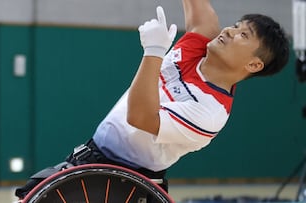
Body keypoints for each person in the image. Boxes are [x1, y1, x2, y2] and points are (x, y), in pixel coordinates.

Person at [15, 0, 289, 200]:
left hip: (127, 180)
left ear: (254, 65)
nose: (230, 31)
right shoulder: (200, 45)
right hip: (90, 156)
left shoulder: (210, 111)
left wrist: (154, 51)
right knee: (24, 196)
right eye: (236, 25)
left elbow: (140, 117)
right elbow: (201, 12)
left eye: (243, 35)